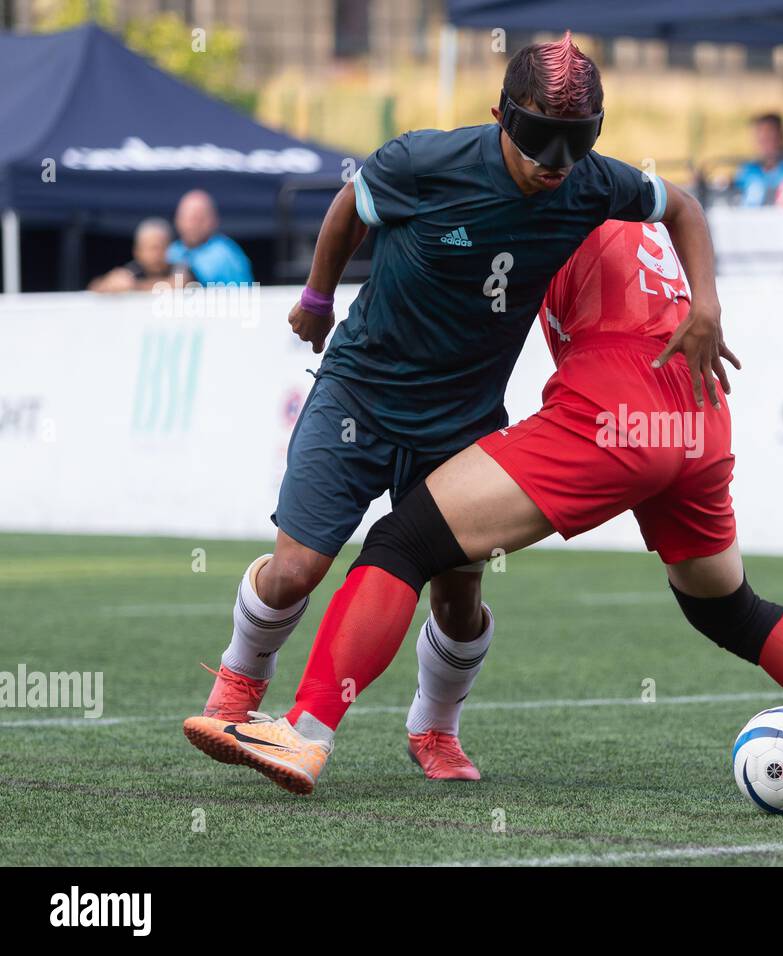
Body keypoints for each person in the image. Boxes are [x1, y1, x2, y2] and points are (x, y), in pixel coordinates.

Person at [181, 217, 783, 796]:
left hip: (612, 412)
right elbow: (677, 214)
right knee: (732, 610)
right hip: (697, 415)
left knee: (401, 541)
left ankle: (305, 733)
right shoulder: (637, 208)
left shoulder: (554, 199)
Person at [183, 33, 722, 782]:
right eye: (538, 138)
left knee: (460, 597)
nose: (555, 163)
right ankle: (239, 686)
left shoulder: (593, 183)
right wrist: (315, 297)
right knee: (296, 569)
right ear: (500, 116)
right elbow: (349, 208)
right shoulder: (423, 162)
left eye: (578, 141)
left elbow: (684, 207)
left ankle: (434, 729)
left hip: (462, 418)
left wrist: (705, 306)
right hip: (361, 393)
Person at [167, 190, 254, 285]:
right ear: (177, 220)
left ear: (214, 221)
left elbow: (243, 294)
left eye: (199, 219)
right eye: (189, 218)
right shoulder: (172, 250)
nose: (193, 225)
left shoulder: (225, 254)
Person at [88, 218, 189, 292]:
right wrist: (109, 284)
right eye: (152, 248)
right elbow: (94, 288)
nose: (157, 254)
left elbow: (179, 284)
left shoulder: (179, 267)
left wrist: (135, 287)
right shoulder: (133, 271)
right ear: (138, 252)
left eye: (162, 247)